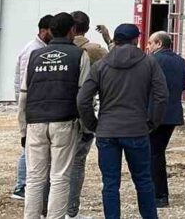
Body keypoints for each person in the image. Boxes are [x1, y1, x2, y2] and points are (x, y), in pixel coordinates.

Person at [77, 23, 167, 219]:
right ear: (136, 40)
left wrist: (93, 125)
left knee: (110, 183)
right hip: (137, 129)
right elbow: (161, 96)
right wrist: (153, 122)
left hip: (107, 131)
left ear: (115, 40)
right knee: (143, 180)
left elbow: (83, 99)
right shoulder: (149, 63)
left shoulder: (101, 65)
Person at [19, 12, 90, 219]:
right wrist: (86, 128)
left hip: (35, 123)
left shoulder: (35, 55)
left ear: (50, 30)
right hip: (64, 122)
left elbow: (24, 95)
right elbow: (83, 95)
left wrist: (23, 129)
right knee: (60, 177)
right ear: (73, 31)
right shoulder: (79, 55)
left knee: (34, 178)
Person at [65, 11, 108, 219]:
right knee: (77, 163)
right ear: (86, 28)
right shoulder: (94, 51)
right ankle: (71, 212)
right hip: (83, 116)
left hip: (56, 113)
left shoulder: (54, 50)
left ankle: (47, 209)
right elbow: (117, 59)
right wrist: (107, 37)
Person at [11, 14, 53, 202]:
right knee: (28, 145)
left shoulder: (41, 48)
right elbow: (24, 84)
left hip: (33, 104)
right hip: (30, 104)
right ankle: (21, 186)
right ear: (44, 30)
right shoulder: (33, 50)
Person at [147, 31, 185, 209]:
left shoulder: (151, 61)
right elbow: (183, 85)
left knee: (153, 154)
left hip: (154, 114)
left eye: (150, 43)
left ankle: (159, 195)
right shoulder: (181, 61)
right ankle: (157, 193)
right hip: (173, 114)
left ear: (158, 43)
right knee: (157, 152)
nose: (147, 46)